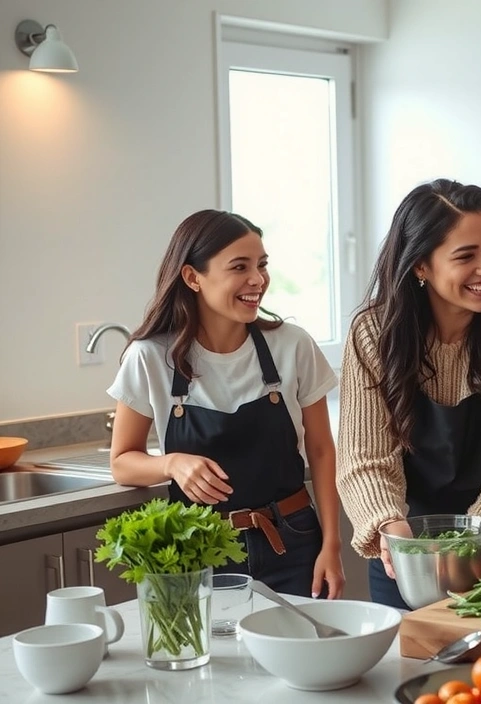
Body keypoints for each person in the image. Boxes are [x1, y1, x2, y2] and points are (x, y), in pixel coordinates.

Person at [336, 178, 481, 610]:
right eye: (466, 256)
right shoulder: (373, 333)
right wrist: (390, 525)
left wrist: (466, 544)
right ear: (420, 266)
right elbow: (362, 455)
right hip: (406, 559)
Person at [107, 209, 345, 599]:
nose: (258, 279)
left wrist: (331, 545)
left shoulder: (292, 345)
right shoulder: (150, 357)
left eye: (262, 265)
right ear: (192, 277)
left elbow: (321, 450)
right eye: (240, 267)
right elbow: (122, 463)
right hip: (200, 548)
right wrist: (171, 464)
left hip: (294, 540)